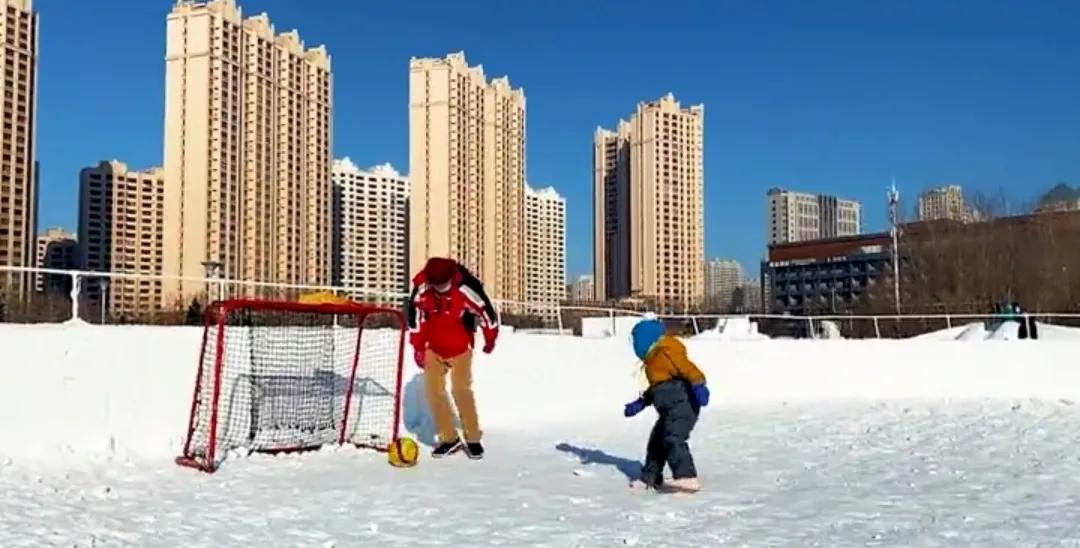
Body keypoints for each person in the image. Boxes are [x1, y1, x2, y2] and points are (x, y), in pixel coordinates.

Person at [406, 257, 499, 459]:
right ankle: (449, 439)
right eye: (436, 285)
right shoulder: (422, 289)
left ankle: (473, 438)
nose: (440, 288)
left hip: (460, 349)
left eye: (444, 284)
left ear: (451, 279)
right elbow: (415, 320)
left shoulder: (464, 289)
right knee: (433, 391)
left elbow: (487, 314)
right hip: (434, 348)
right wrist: (418, 348)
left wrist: (489, 340)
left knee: (460, 390)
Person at [623, 317, 709, 493]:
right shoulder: (652, 362)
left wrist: (699, 385)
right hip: (668, 409)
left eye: (636, 340)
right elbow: (657, 388)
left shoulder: (667, 350)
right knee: (656, 442)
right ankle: (651, 477)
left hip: (684, 404)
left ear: (646, 339)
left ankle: (687, 477)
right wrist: (641, 402)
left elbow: (688, 368)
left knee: (673, 438)